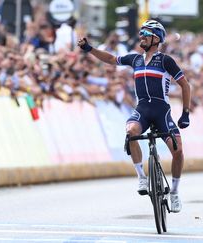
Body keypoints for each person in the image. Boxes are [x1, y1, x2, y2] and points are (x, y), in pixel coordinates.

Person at [77, 20, 191, 213]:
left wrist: (185, 113)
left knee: (178, 151)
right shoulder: (135, 59)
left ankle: (174, 192)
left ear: (156, 38)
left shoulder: (165, 60)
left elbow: (185, 86)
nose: (141, 37)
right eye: (141, 34)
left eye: (145, 34)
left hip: (162, 111)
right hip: (143, 111)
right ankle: (141, 177)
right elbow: (111, 59)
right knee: (131, 132)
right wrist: (90, 49)